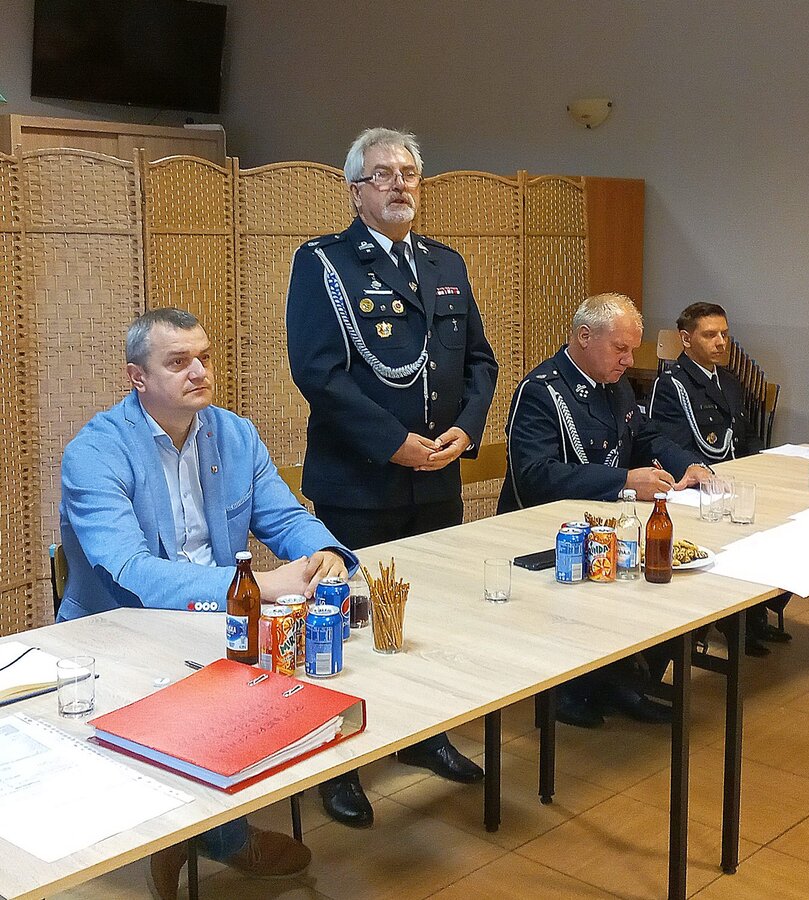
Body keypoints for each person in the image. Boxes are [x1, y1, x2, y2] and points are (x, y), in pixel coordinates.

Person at [59, 307, 358, 899]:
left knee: (314, 671)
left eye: (204, 357)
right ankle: (203, 835)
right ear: (137, 377)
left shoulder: (235, 435)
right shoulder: (95, 452)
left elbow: (284, 519)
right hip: (119, 633)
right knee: (207, 699)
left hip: (217, 624)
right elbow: (133, 572)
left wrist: (325, 552)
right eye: (178, 362)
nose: (199, 372)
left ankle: (210, 827)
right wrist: (257, 587)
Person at [286, 128, 498, 825]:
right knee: (343, 622)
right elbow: (318, 372)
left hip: (435, 477)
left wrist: (468, 426)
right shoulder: (324, 263)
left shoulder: (445, 262)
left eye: (408, 172)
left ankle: (424, 734)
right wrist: (392, 444)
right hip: (360, 482)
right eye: (382, 174)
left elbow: (480, 361)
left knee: (423, 614)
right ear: (355, 191)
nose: (399, 183)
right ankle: (338, 762)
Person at [499, 292, 711, 727]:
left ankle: (625, 680)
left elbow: (646, 436)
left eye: (632, 349)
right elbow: (535, 476)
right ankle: (576, 689)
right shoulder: (541, 391)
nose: (629, 360)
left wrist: (688, 463)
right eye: (620, 349)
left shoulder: (616, 387)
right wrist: (624, 480)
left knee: (674, 581)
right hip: (545, 534)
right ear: (584, 336)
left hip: (608, 527)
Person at [646, 301, 788, 655]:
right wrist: (714, 476)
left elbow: (746, 435)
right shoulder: (673, 385)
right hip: (698, 488)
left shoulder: (727, 380)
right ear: (686, 339)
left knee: (783, 525)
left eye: (724, 334)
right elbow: (672, 445)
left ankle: (755, 612)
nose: (721, 342)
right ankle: (735, 621)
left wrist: (763, 465)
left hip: (731, 481)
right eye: (710, 335)